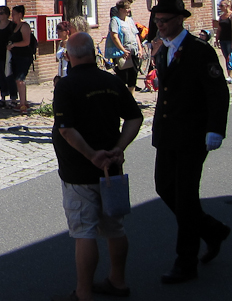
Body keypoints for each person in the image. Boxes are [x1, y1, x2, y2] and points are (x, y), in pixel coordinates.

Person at [51, 32, 143, 301]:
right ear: (93, 53)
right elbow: (135, 118)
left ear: (69, 56)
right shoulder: (112, 81)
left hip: (79, 170)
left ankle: (83, 292)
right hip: (110, 168)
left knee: (84, 231)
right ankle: (118, 280)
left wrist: (92, 155)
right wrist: (118, 148)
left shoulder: (66, 86)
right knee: (115, 228)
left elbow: (66, 129)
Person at [149, 0, 231, 284]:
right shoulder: (163, 50)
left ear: (179, 20)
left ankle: (186, 262)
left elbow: (217, 92)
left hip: (192, 135)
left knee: (185, 197)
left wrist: (215, 129)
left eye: (164, 21)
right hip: (168, 133)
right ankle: (212, 230)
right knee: (164, 187)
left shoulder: (199, 50)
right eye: (157, 21)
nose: (159, 26)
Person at [6, 5, 35, 113]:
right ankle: (23, 102)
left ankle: (23, 105)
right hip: (16, 57)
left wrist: (14, 45)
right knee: (17, 80)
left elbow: (26, 42)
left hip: (24, 57)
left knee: (20, 79)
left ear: (20, 14)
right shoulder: (15, 26)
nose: (12, 16)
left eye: (14, 14)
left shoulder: (24, 26)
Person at [106, 0, 141, 91]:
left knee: (133, 79)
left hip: (133, 53)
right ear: (121, 9)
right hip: (122, 54)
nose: (129, 10)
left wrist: (140, 49)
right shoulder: (115, 21)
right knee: (123, 78)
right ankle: (122, 97)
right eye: (127, 8)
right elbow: (114, 37)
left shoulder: (130, 20)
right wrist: (123, 50)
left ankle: (131, 97)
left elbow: (135, 35)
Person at [216, 0, 232, 84]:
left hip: (231, 39)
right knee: (227, 58)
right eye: (219, 5)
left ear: (227, 6)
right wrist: (217, 39)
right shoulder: (221, 17)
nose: (220, 7)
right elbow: (219, 29)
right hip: (223, 39)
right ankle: (230, 75)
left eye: (221, 5)